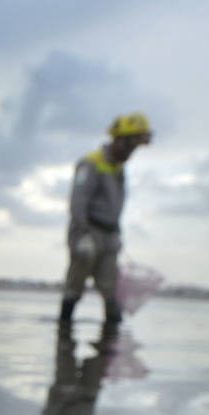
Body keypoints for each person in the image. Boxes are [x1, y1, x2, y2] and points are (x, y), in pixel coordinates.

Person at [59, 112, 153, 326]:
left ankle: (112, 338)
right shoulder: (91, 163)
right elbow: (78, 201)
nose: (131, 152)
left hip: (109, 236)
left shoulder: (119, 168)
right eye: (130, 146)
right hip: (87, 232)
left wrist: (116, 234)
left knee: (112, 291)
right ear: (119, 140)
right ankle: (64, 333)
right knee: (74, 285)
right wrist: (82, 234)